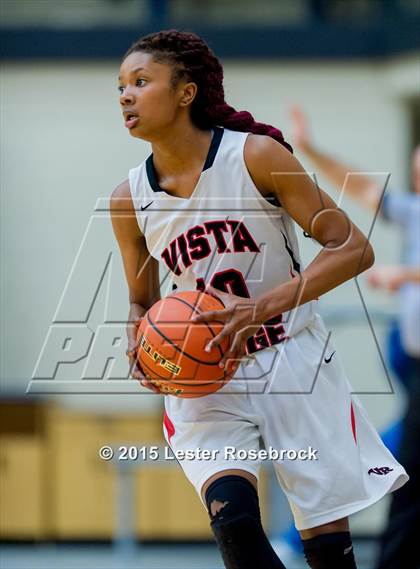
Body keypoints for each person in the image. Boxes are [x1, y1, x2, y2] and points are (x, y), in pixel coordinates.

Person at [110, 30, 408, 569]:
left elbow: (352, 249)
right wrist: (139, 339)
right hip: (204, 375)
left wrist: (261, 307)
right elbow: (140, 300)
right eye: (121, 87)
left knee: (326, 549)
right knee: (237, 526)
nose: (125, 96)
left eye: (140, 81)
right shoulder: (128, 198)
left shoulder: (256, 156)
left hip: (291, 357)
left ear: (186, 92)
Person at [289, 106, 420, 569]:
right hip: (412, 356)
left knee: (398, 457)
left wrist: (404, 275)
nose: (416, 168)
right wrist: (309, 148)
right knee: (403, 457)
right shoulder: (414, 210)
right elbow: (364, 187)